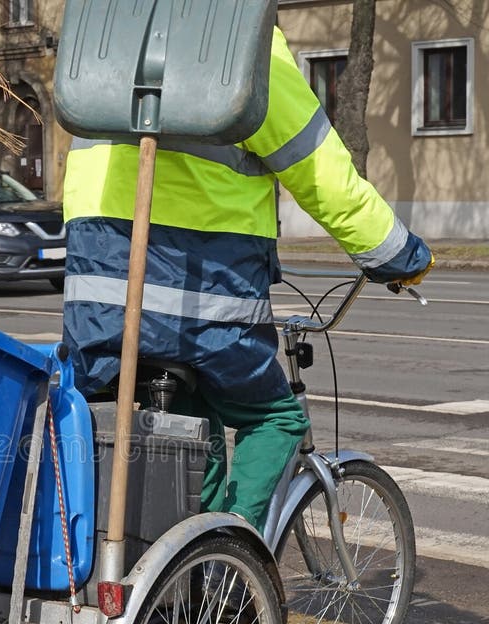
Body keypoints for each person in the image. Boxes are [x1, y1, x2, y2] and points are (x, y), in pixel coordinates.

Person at [61, 26, 433, 534]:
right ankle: (230, 569)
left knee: (193, 424)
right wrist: (400, 254)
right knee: (276, 418)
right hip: (200, 293)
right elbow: (324, 176)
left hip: (98, 296)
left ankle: (189, 573)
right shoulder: (241, 41)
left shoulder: (113, 35)